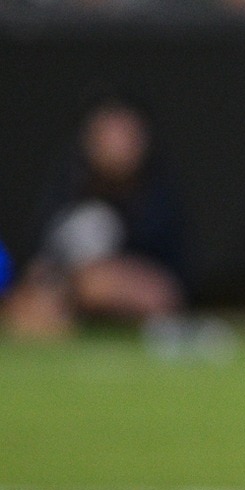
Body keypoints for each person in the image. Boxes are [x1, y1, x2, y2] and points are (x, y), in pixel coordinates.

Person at [5, 97, 186, 339]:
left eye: (126, 136)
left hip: (142, 291)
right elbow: (41, 258)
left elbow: (170, 280)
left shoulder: (157, 195)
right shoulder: (68, 187)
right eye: (109, 135)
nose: (117, 145)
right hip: (65, 285)